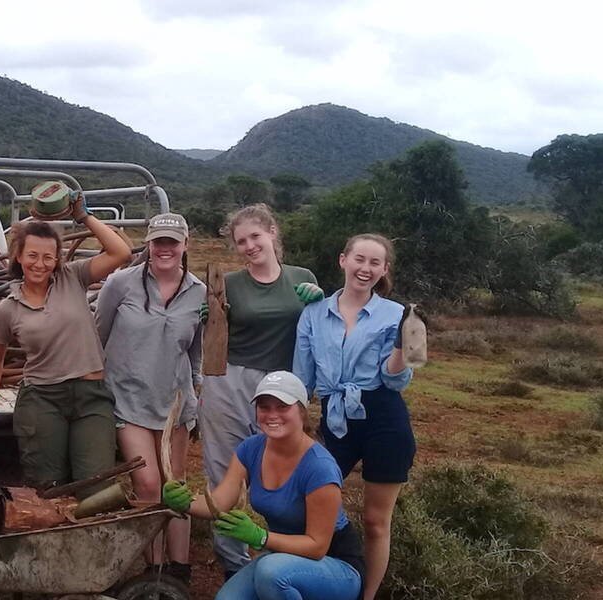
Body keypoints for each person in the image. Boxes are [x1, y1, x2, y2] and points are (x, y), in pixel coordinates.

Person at [0, 181, 132, 499]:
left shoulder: (73, 277)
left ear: (58, 259)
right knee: (47, 487)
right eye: (32, 256)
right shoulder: (8, 308)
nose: (39, 264)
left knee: (98, 487)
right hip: (42, 400)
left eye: (48, 257)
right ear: (17, 256)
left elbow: (121, 252)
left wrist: (84, 217)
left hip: (91, 397)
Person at [200, 203, 323, 577]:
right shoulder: (228, 283)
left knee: (284, 470)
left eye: (255, 236)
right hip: (230, 381)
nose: (249, 245)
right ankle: (234, 564)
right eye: (241, 241)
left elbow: (317, 328)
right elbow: (213, 331)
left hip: (282, 385)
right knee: (224, 470)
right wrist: (210, 316)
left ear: (272, 232)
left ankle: (288, 555)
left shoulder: (302, 278)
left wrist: (319, 300)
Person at [163, 371, 364, 600]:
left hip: (335, 565)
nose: (272, 414)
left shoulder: (320, 468)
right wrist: (184, 502)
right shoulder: (251, 449)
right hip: (281, 558)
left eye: (282, 406)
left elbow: (317, 546)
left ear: (301, 411)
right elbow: (217, 503)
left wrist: (260, 537)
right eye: (264, 407)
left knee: (272, 575)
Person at [293, 233, 415, 600]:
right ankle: (318, 576)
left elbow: (397, 379)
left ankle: (367, 595)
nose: (365, 268)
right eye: (359, 259)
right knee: (307, 503)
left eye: (375, 263)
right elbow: (302, 380)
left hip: (384, 417)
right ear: (343, 260)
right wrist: (295, 430)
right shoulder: (313, 312)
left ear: (384, 270)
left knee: (377, 522)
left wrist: (401, 345)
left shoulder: (399, 314)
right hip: (336, 418)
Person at [94, 212, 205, 583]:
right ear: (149, 244)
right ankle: (153, 569)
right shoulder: (120, 283)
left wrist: (196, 390)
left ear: (185, 245)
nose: (165, 249)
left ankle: (180, 570)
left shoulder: (199, 292)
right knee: (147, 484)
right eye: (159, 242)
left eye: (173, 242)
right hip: (128, 398)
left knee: (175, 487)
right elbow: (99, 335)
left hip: (174, 402)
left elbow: (197, 351)